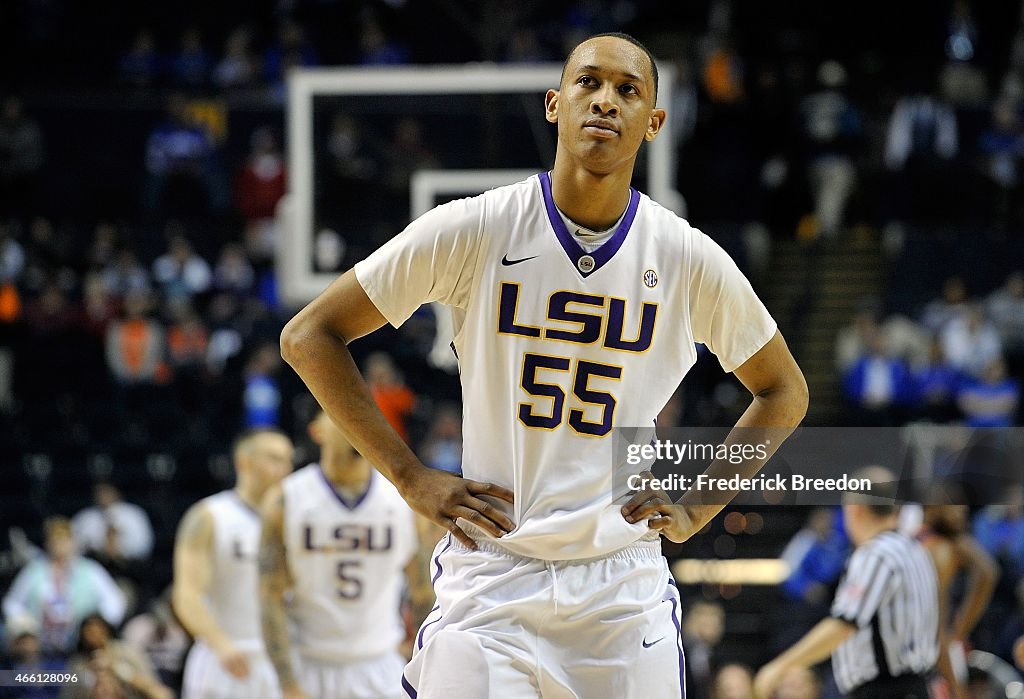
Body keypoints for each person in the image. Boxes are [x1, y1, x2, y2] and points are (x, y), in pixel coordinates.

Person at [281, 32, 808, 698]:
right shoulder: (474, 227)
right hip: (493, 576)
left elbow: (784, 390)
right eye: (588, 83)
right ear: (555, 104)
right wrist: (411, 475)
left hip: (620, 589)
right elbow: (310, 335)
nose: (605, 102)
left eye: (628, 90)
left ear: (654, 122)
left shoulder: (687, 258)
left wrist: (701, 502)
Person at [259, 410, 430, 699]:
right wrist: (287, 681)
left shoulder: (402, 501)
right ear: (317, 431)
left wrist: (424, 662)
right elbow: (269, 595)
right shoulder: (285, 499)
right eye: (340, 414)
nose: (356, 422)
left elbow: (423, 594)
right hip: (309, 665)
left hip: (381, 665)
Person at [754, 467, 939, 699]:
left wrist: (779, 667)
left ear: (855, 509)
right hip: (917, 685)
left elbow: (844, 623)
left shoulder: (876, 554)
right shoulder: (916, 552)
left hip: (885, 690)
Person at [171, 428, 294, 699]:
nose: (284, 468)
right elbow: (187, 596)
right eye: (273, 458)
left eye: (288, 460)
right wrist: (220, 644)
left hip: (283, 661)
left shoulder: (297, 520)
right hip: (226, 659)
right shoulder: (210, 517)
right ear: (244, 461)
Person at [2, 517, 126, 656]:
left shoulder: (89, 569)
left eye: (63, 540)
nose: (59, 545)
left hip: (79, 638)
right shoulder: (34, 570)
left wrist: (99, 623)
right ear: (47, 543)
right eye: (55, 540)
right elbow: (11, 603)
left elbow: (115, 600)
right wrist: (25, 625)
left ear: (73, 542)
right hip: (40, 637)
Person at [916, 499, 999, 699]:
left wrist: (959, 631)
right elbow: (936, 628)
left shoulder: (946, 542)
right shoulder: (937, 550)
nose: (962, 510)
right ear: (931, 509)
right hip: (925, 656)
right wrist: (957, 687)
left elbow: (988, 573)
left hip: (933, 648)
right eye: (952, 505)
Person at [62, 613, 172, 699]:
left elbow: (161, 694)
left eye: (98, 631)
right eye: (88, 633)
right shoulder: (78, 665)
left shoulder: (125, 653)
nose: (93, 637)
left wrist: (117, 669)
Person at [71, 481, 155, 565]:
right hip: (94, 565)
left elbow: (144, 547)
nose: (103, 495)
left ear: (116, 492)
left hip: (129, 566)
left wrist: (121, 551)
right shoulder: (85, 517)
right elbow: (71, 546)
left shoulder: (134, 513)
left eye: (107, 491)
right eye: (100, 491)